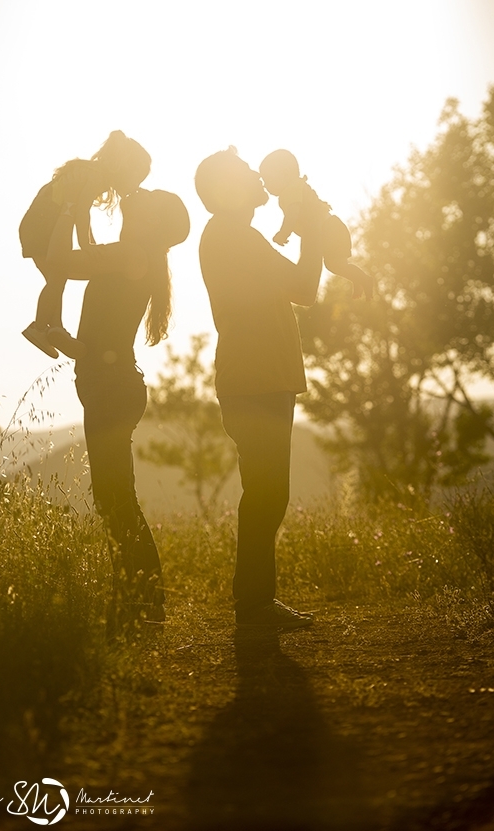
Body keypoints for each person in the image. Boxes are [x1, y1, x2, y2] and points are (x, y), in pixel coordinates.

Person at [46, 174, 190, 626]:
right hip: (112, 384)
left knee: (114, 499)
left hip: (109, 388)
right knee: (115, 497)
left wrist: (69, 208)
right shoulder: (133, 255)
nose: (136, 196)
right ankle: (139, 601)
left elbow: (58, 262)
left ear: (151, 221)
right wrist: (83, 213)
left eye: (146, 200)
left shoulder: (130, 254)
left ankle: (140, 604)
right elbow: (87, 253)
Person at [195, 147, 324, 629]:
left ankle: (254, 602)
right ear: (228, 190)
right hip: (255, 379)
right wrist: (310, 228)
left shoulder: (233, 235)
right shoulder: (234, 236)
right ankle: (253, 605)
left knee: (268, 492)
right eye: (248, 173)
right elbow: (305, 288)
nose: (258, 178)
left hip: (257, 377)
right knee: (266, 493)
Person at [19, 131, 151, 359]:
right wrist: (85, 244)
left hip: (40, 223)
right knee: (56, 278)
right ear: (125, 169)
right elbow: (80, 212)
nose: (135, 187)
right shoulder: (97, 176)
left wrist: (89, 242)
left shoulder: (93, 173)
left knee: (56, 278)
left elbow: (82, 212)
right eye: (136, 179)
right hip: (41, 227)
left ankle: (56, 328)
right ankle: (39, 328)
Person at [260, 149, 373, 300]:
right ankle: (358, 279)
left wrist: (283, 233)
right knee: (336, 264)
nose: (265, 185)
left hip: (329, 230)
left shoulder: (290, 191)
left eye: (268, 179)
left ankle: (364, 279)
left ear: (285, 174)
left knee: (334, 265)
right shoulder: (297, 186)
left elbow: (292, 214)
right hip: (333, 226)